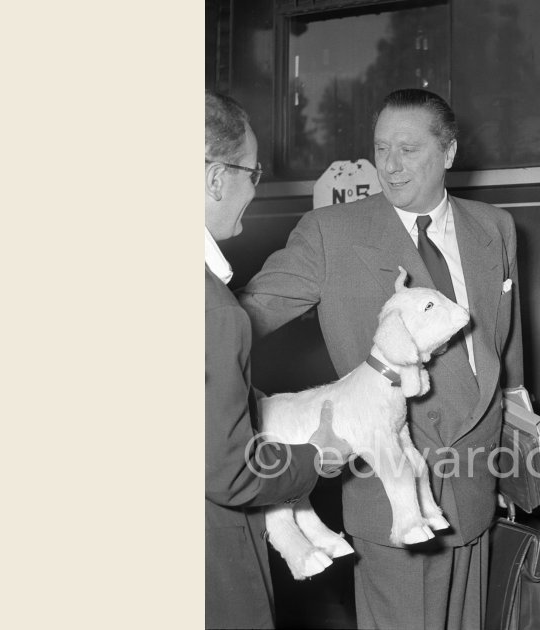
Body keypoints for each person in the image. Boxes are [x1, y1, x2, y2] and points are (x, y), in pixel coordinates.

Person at [239, 88, 524, 630]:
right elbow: (236, 322)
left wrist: (515, 463)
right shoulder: (330, 232)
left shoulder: (495, 227)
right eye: (380, 148)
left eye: (408, 149)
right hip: (388, 495)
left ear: (449, 152)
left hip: (477, 488)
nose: (389, 166)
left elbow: (507, 358)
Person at [204, 90, 351, 629]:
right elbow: (229, 472)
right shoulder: (214, 309)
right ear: (217, 179)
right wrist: (317, 457)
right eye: (252, 172)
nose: (254, 188)